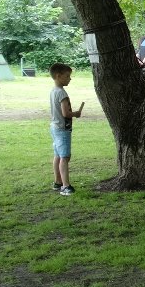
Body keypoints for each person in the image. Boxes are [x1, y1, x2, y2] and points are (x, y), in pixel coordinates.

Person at [48, 63, 84, 196]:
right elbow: (66, 113)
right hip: (62, 129)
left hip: (55, 127)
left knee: (58, 155)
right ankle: (66, 186)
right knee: (65, 157)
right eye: (67, 76)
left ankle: (58, 182)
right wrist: (76, 114)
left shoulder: (53, 91)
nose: (70, 79)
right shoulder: (61, 93)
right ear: (58, 76)